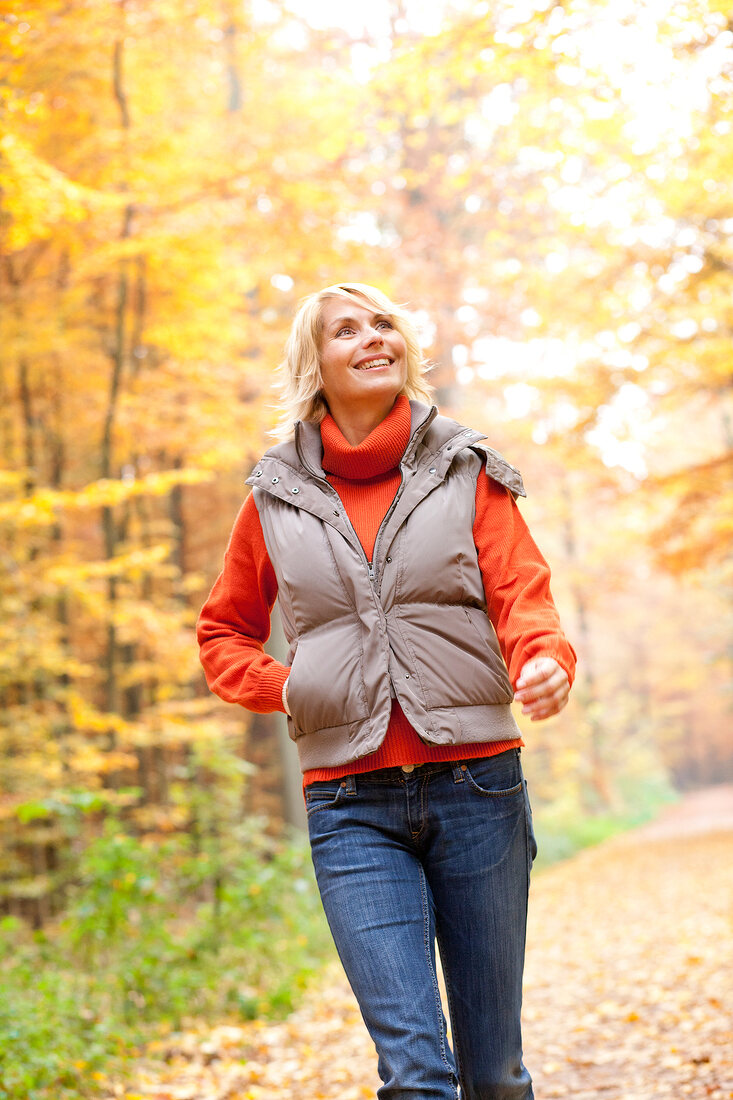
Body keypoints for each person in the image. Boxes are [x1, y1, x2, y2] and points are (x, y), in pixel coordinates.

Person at [197, 282, 576, 1100]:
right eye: (346, 330)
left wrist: (543, 656)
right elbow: (222, 633)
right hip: (348, 803)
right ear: (315, 365)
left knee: (495, 1076)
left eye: (384, 324)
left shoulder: (465, 469)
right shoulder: (274, 498)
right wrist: (289, 687)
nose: (373, 338)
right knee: (413, 1074)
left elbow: (522, 593)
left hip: (478, 787)